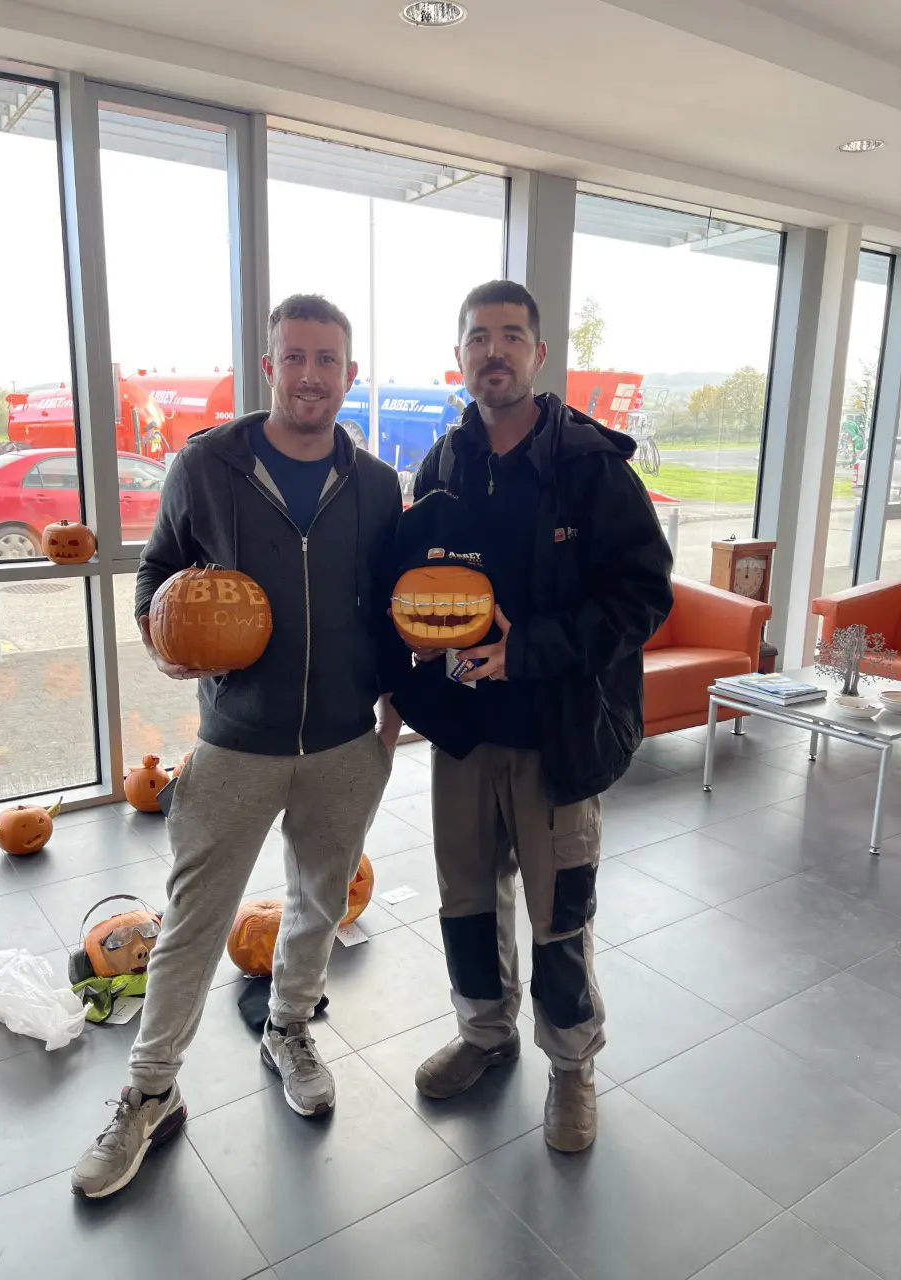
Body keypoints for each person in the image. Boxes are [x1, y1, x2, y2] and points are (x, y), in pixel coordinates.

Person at [73, 294, 406, 1199]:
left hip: (346, 738)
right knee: (193, 919)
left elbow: (392, 602)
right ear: (269, 366)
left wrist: (393, 710)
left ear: (348, 372)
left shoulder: (376, 485)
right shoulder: (208, 464)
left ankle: (290, 1027)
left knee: (319, 900)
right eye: (294, 357)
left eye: (328, 359)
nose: (310, 375)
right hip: (236, 740)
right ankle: (150, 1091)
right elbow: (156, 569)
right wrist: (160, 632)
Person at [391, 280, 673, 1153]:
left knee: (561, 913)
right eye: (479, 337)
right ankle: (484, 1033)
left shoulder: (591, 466)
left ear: (540, 355)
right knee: (466, 900)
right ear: (461, 354)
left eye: (512, 336)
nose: (495, 352)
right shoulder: (443, 462)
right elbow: (419, 583)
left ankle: (572, 1066)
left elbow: (644, 596)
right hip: (465, 732)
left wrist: (531, 648)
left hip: (560, 731)